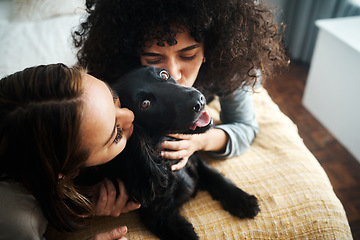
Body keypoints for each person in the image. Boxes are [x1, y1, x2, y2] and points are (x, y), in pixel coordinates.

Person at [73, 0, 288, 171]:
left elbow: (245, 127)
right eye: (154, 59)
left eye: (188, 55)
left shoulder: (228, 70)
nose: (174, 74)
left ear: (211, 48)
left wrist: (201, 141)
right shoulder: (118, 81)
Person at [0, 64, 140, 240]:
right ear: (65, 172)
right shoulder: (16, 222)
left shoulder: (56, 99)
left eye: (112, 97)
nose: (130, 114)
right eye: (116, 133)